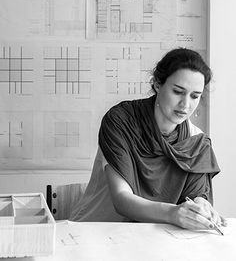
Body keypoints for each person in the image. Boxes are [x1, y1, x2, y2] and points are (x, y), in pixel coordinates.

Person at [70, 47, 226, 230]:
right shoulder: (120, 122)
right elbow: (121, 199)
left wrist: (201, 208)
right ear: (158, 84)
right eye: (177, 92)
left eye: (195, 96)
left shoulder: (197, 143)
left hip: (156, 240)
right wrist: (172, 213)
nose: (185, 104)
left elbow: (195, 197)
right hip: (95, 233)